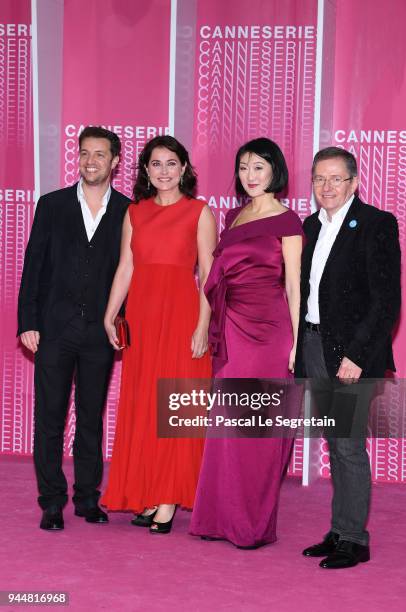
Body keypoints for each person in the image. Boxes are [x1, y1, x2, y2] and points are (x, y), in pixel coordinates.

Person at [190, 137, 303, 549]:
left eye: (258, 167)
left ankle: (250, 526)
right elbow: (214, 275)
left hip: (270, 333)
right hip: (231, 330)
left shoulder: (288, 222)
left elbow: (294, 286)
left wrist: (297, 344)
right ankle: (218, 518)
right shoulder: (233, 216)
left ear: (275, 171)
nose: (249, 175)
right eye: (243, 167)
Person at [101, 135, 216, 534]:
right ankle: (148, 490)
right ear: (146, 171)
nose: (164, 171)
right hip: (145, 319)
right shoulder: (134, 212)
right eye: (156, 164)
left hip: (182, 316)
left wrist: (203, 325)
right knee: (146, 403)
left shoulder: (199, 212)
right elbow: (126, 267)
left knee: (177, 404)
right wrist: (111, 313)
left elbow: (210, 276)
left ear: (184, 168)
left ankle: (167, 497)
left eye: (171, 163)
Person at [18, 126, 131, 530]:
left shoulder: (128, 211)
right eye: (85, 153)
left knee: (90, 417)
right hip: (53, 329)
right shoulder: (51, 205)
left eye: (100, 154)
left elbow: (130, 276)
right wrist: (28, 322)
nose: (91, 161)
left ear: (115, 161)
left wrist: (122, 325)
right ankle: (51, 501)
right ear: (78, 157)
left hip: (99, 334)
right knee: (49, 418)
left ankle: (87, 498)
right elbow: (33, 267)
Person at [296, 147, 401, 569]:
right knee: (334, 444)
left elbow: (386, 301)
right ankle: (340, 531)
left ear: (354, 182)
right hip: (313, 345)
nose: (327, 187)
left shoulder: (376, 224)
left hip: (350, 354)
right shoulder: (309, 225)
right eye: (320, 179)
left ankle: (355, 540)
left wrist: (357, 355)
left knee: (349, 446)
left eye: (336, 178)